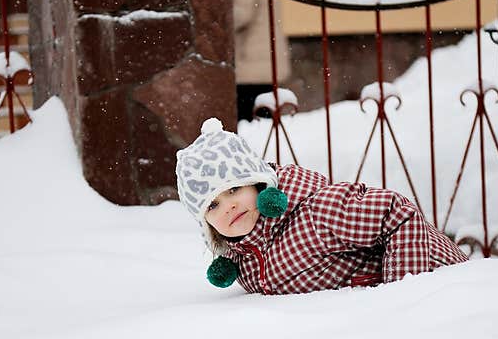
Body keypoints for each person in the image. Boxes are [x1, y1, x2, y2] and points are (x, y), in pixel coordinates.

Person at [176, 118, 469, 295]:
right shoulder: (243, 261)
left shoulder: (319, 214)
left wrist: (405, 294)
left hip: (445, 286)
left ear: (259, 185)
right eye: (212, 204)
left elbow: (398, 213)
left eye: (235, 189)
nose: (228, 206)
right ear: (205, 224)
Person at [232, 0, 291, 122]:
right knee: (263, 119)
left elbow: (240, 15)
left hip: (249, 61)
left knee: (248, 120)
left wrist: (214, 19)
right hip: (264, 60)